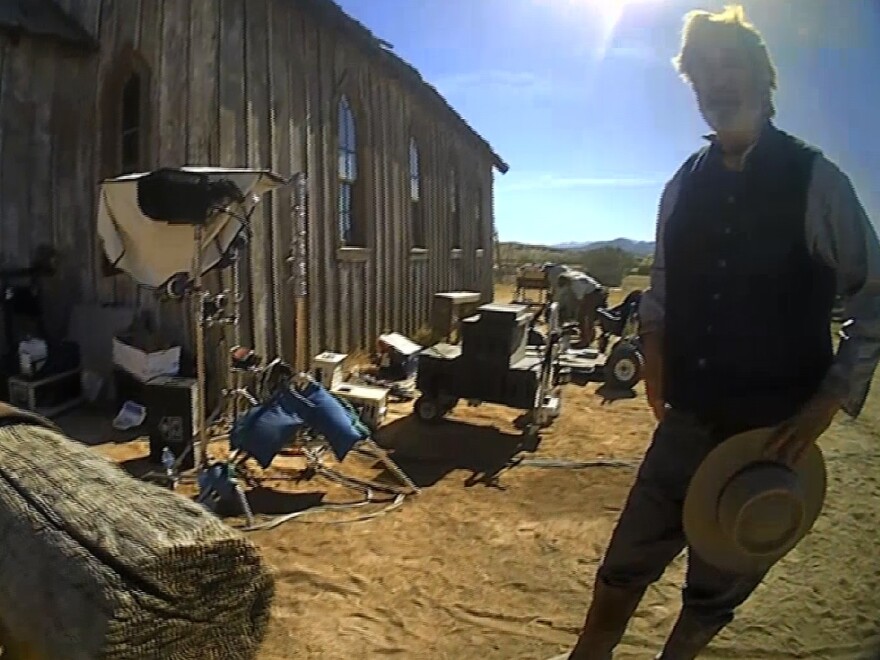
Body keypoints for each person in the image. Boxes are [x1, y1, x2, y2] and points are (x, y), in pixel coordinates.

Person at [557, 5, 880, 659]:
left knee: (711, 598)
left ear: (764, 77)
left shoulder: (817, 182)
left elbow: (873, 299)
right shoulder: (682, 187)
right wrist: (652, 363)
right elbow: (662, 294)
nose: (716, 82)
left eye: (730, 65)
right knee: (620, 574)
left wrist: (829, 401)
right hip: (686, 424)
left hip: (771, 442)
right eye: (702, 72)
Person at [542, 263, 607, 348]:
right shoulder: (573, 276)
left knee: (585, 318)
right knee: (586, 318)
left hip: (593, 294)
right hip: (596, 292)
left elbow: (581, 300)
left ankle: (585, 341)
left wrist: (574, 312)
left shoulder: (576, 284)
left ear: (566, 282)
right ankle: (588, 339)